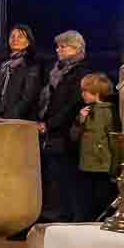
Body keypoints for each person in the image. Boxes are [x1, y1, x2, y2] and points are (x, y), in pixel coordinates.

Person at [39, 31, 94, 222]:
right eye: (58, 46)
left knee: (66, 177)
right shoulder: (56, 70)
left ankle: (66, 216)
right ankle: (54, 214)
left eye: (63, 46)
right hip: (51, 131)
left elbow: (72, 103)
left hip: (66, 132)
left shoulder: (81, 73)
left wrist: (52, 123)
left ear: (76, 49)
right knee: (54, 176)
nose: (58, 50)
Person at [76, 73, 120, 218]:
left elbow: (113, 140)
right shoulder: (85, 111)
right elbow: (74, 135)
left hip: (102, 164)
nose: (82, 94)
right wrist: (80, 120)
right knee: (88, 198)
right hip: (86, 163)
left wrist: (115, 166)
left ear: (96, 93)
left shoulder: (107, 112)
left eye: (85, 91)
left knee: (103, 198)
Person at [0, 25, 45, 121]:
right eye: (12, 36)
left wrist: (9, 118)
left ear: (28, 42)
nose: (15, 39)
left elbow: (28, 97)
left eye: (20, 36)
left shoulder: (32, 65)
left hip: (18, 120)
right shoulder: (1, 64)